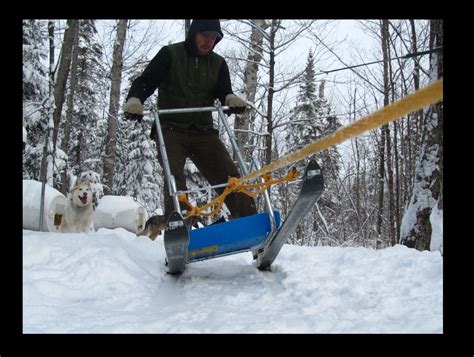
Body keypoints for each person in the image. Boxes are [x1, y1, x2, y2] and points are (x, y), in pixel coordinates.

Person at [123, 19, 257, 225]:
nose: (208, 42)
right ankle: (179, 227)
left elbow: (224, 91)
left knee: (228, 174)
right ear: (193, 33)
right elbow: (146, 81)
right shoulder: (170, 54)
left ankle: (249, 223)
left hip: (203, 131)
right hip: (170, 128)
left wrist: (230, 99)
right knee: (174, 176)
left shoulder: (218, 64)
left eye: (213, 38)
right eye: (204, 36)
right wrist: (135, 98)